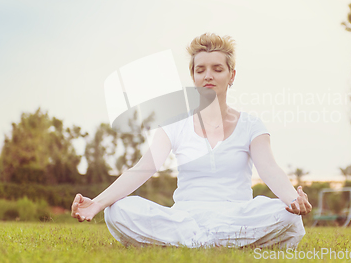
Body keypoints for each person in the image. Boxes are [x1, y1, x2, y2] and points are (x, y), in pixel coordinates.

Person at [71, 33, 312, 248]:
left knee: (288, 214)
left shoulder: (251, 125)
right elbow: (144, 168)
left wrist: (294, 199)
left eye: (218, 69)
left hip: (236, 215)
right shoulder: (174, 123)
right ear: (193, 76)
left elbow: (269, 169)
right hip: (184, 219)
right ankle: (215, 241)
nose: (208, 76)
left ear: (231, 75)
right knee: (116, 211)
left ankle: (196, 242)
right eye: (201, 70)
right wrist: (98, 203)